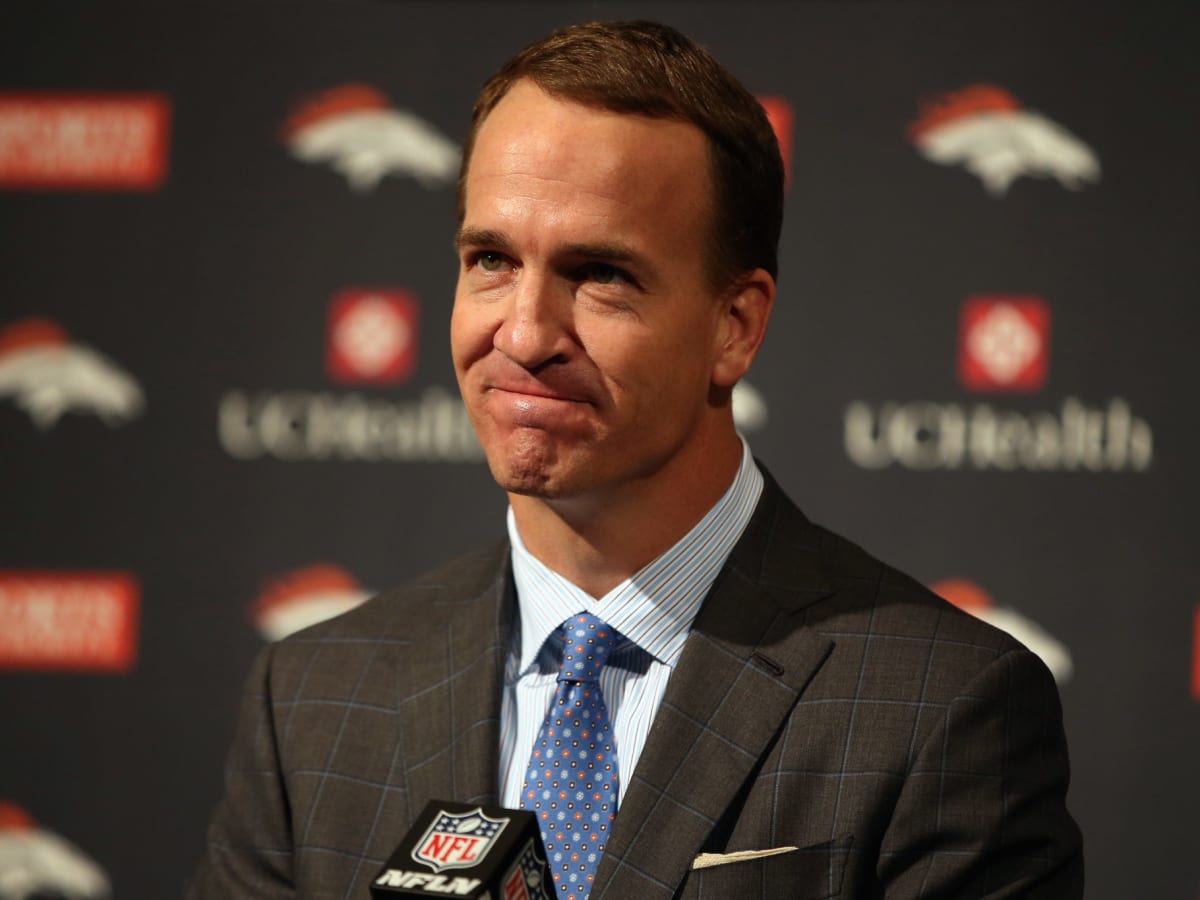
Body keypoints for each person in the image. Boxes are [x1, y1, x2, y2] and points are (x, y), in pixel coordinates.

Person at [188, 20, 1083, 899]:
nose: (526, 333)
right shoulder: (310, 701)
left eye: (601, 274)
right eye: (491, 258)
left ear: (735, 328)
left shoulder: (945, 709)